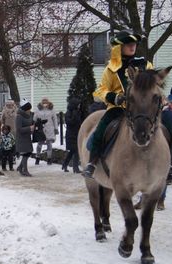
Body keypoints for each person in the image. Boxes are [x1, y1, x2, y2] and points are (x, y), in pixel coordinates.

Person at [83, 30, 153, 178]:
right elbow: (100, 90)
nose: (132, 46)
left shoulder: (145, 65)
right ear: (119, 47)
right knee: (102, 128)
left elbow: (154, 84)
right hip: (119, 108)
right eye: (128, 44)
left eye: (134, 44)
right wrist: (114, 97)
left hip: (143, 108)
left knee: (169, 124)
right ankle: (92, 161)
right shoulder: (111, 68)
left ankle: (169, 163)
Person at [34, 98, 58, 165]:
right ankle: (37, 157)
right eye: (43, 102)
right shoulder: (38, 109)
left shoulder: (52, 109)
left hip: (50, 128)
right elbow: (34, 118)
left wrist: (56, 128)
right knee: (40, 143)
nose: (45, 103)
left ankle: (49, 158)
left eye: (46, 102)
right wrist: (35, 125)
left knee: (49, 143)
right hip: (41, 128)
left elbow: (55, 119)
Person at [62, 97, 82, 173]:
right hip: (71, 134)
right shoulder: (69, 113)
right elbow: (69, 122)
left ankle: (65, 164)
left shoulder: (77, 112)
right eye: (78, 104)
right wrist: (74, 116)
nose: (79, 106)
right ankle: (75, 168)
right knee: (75, 150)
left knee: (73, 151)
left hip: (77, 133)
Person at [16, 98, 35, 177]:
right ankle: (25, 170)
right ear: (25, 109)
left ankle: (20, 167)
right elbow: (19, 128)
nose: (29, 110)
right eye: (28, 109)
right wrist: (29, 128)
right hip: (21, 138)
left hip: (27, 137)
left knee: (28, 152)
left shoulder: (29, 115)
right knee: (25, 153)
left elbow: (31, 122)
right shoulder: (19, 116)